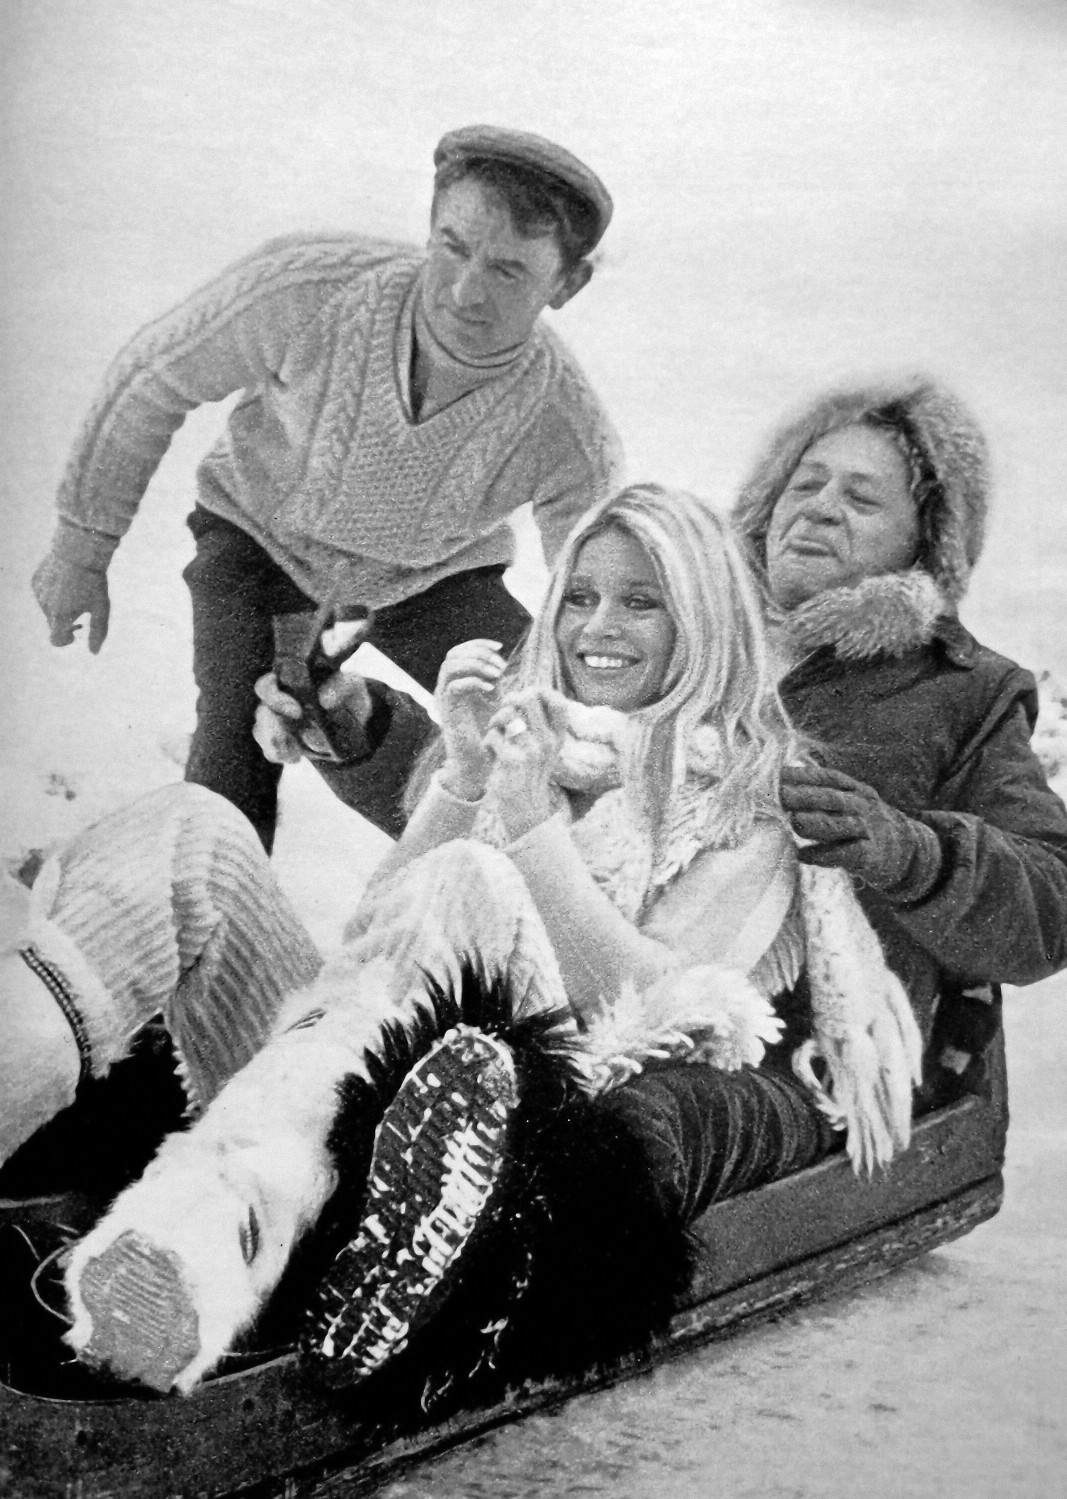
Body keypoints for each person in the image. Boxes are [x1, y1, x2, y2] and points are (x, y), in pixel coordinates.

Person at [4, 484, 918, 1397]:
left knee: (470, 877)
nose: (597, 625)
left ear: (705, 625)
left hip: (464, 1151)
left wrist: (527, 825)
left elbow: (663, 1009)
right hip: (331, 1066)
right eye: (580, 595)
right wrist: (464, 773)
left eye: (641, 601)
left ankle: (184, 1263)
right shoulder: (534, 739)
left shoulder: (750, 805)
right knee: (194, 830)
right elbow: (373, 941)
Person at [30, 125, 624, 851]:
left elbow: (605, 591)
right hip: (259, 542)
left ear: (566, 283)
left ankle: (425, 802)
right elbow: (150, 381)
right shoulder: (310, 290)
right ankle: (215, 897)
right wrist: (81, 550)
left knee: (548, 743)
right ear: (430, 225)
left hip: (431, 578)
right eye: (452, 246)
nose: (465, 291)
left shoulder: (567, 426)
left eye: (507, 271)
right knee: (234, 759)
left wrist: (623, 714)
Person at [731, 375, 1067, 1095]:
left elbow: (1052, 908)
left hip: (811, 1054)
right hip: (625, 984)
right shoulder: (675, 626)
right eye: (804, 483)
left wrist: (914, 854)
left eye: (861, 499)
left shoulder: (965, 689)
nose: (819, 508)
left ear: (923, 543)